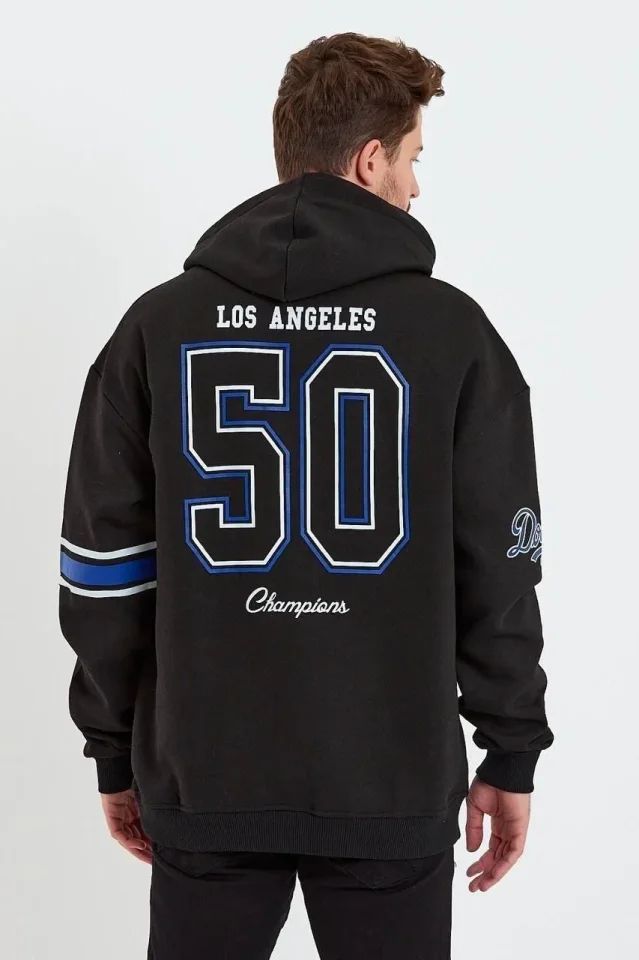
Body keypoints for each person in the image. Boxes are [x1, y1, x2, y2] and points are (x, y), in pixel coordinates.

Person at [58, 31, 554, 960]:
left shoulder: (156, 326)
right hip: (389, 783)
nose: (416, 186)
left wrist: (114, 749)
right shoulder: (453, 333)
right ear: (369, 160)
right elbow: (498, 567)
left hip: (205, 778)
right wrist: (509, 746)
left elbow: (103, 566)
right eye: (412, 157)